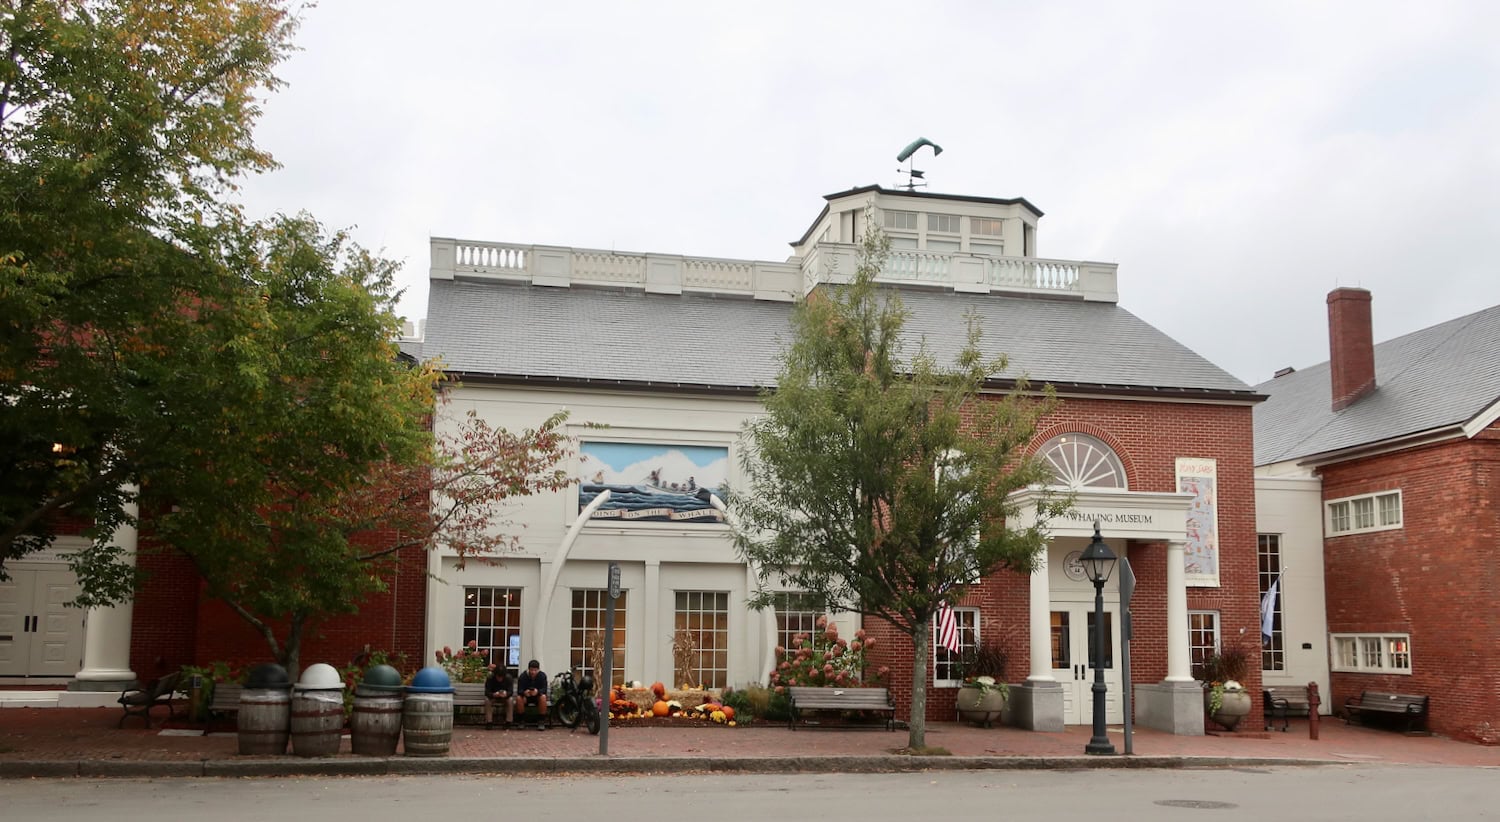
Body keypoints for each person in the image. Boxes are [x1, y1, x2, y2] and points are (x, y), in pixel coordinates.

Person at [513, 659, 548, 729]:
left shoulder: (542, 676)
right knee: (519, 698)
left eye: (535, 670)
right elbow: (519, 690)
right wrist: (524, 692)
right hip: (526, 697)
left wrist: (537, 692)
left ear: (538, 670)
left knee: (543, 697)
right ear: (528, 669)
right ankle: (521, 721)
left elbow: (544, 689)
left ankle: (541, 721)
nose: (533, 672)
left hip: (537, 696)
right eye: (531, 670)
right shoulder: (523, 676)